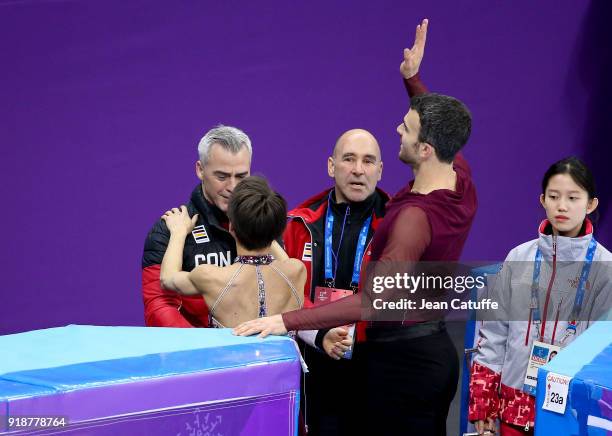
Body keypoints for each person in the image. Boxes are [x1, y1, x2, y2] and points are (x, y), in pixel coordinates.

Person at [235, 19, 478, 435]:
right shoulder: (461, 183)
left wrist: (286, 321)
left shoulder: (411, 220)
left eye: (406, 128)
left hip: (404, 365)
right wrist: (412, 80)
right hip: (423, 355)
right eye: (348, 159)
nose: (398, 128)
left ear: (423, 149)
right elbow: (441, 133)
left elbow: (374, 301)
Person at [469, 157, 612, 436]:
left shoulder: (605, 269)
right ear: (542, 199)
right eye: (554, 196)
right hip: (514, 407)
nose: (562, 206)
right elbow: (494, 335)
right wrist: (483, 402)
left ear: (591, 204)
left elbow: (601, 354)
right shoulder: (518, 257)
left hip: (571, 412)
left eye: (573, 197)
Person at [282, 128, 388, 435]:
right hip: (314, 363)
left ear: (380, 171)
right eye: (349, 159)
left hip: (376, 366)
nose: (358, 169)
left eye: (368, 161)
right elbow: (285, 296)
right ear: (331, 166)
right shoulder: (298, 224)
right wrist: (319, 334)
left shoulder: (399, 226)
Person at [142, 125, 251, 327]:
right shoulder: (168, 230)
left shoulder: (263, 224)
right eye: (222, 176)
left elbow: (286, 288)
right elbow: (160, 306)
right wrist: (205, 349)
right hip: (198, 354)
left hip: (252, 351)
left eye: (241, 177)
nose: (233, 187)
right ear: (200, 170)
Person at [159, 176, 305, 327]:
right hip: (288, 352)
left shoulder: (210, 277)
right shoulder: (297, 270)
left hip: (232, 352)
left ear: (231, 228)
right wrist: (266, 224)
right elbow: (282, 259)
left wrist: (178, 232)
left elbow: (167, 279)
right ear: (278, 230)